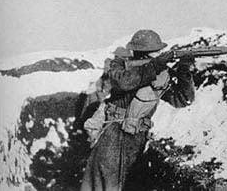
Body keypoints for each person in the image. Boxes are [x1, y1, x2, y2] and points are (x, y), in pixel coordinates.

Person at [80, 30, 195, 191]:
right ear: (142, 54)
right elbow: (124, 82)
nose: (159, 54)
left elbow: (182, 100)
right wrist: (156, 65)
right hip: (113, 136)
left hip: (137, 140)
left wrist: (184, 72)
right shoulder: (120, 66)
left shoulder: (159, 73)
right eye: (156, 52)